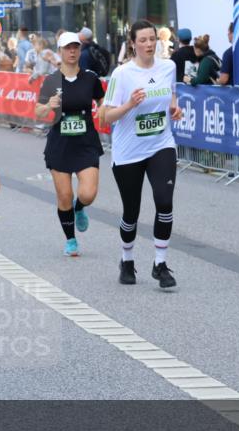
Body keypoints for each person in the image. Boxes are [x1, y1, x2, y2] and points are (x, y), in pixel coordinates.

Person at [100, 19, 184, 289]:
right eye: (143, 40)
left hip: (161, 144)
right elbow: (105, 116)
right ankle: (127, 259)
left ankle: (160, 264)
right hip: (128, 151)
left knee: (165, 201)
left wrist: (175, 108)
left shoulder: (168, 67)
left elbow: (171, 96)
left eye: (152, 39)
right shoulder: (122, 74)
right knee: (131, 211)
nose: (149, 44)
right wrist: (129, 104)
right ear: (133, 44)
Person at [33, 32, 105, 256]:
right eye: (67, 48)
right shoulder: (52, 80)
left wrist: (104, 109)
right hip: (60, 144)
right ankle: (71, 239)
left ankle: (80, 207)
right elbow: (38, 110)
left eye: (75, 47)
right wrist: (49, 106)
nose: (72, 51)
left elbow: (102, 101)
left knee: (88, 193)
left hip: (86, 143)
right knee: (64, 196)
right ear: (60, 51)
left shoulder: (90, 78)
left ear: (79, 50)